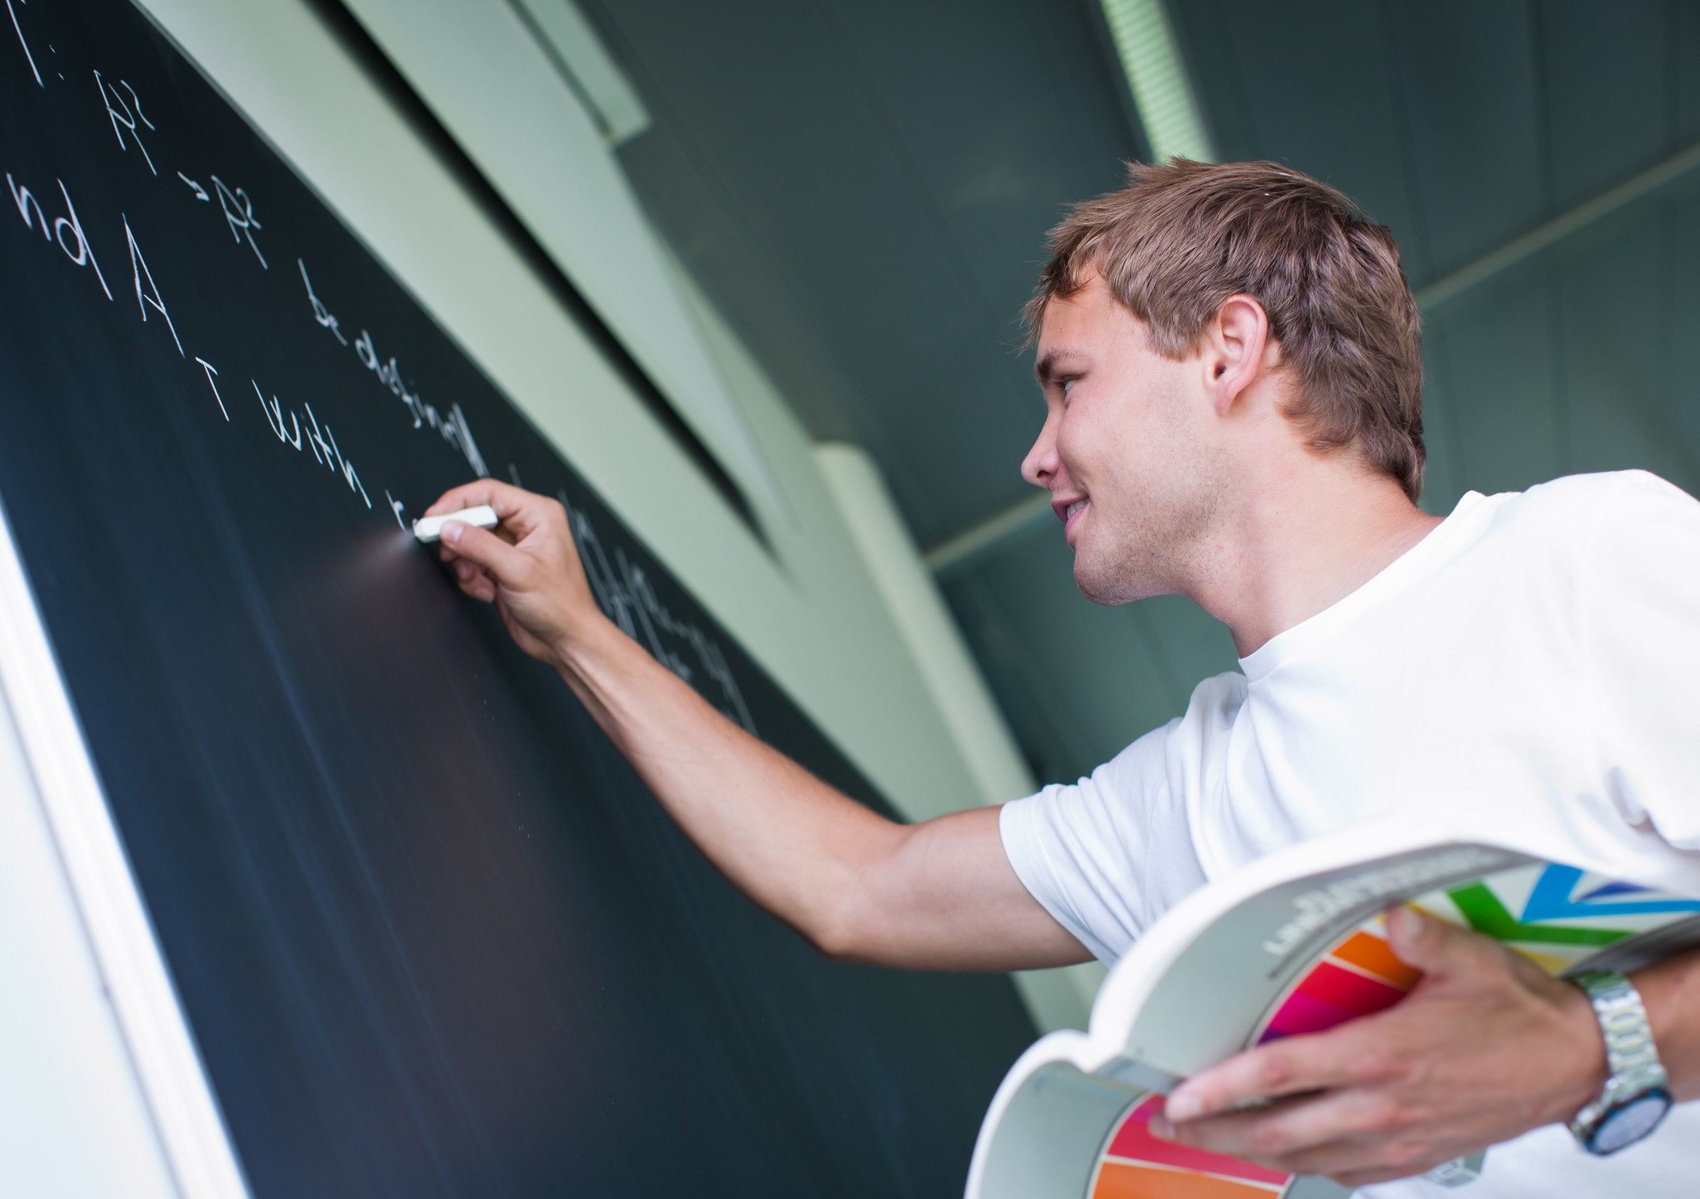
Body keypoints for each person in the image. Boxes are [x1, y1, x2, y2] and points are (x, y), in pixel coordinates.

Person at [424, 159, 1700, 1195]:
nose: (1038, 459)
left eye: (1068, 385)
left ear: (1227, 349)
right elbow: (856, 885)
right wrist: (581, 637)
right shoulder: (1182, 796)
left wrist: (1592, 1047)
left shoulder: (1589, 560)